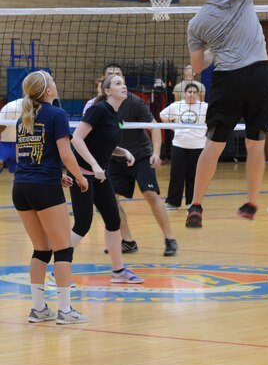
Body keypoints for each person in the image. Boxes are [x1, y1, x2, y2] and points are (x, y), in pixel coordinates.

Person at [185, 0, 268, 228]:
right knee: (256, 142)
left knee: (213, 143)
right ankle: (251, 202)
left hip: (227, 79)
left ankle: (196, 205)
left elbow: (197, 67)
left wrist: (215, 50)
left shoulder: (197, 23)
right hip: (257, 75)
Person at [12, 70, 89, 324]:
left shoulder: (22, 119)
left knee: (41, 249)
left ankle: (38, 309)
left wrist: (57, 177)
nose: (56, 85)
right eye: (53, 82)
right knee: (63, 248)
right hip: (43, 187)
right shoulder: (57, 114)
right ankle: (65, 311)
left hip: (21, 187)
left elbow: (24, 156)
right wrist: (79, 177)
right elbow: (66, 155)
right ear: (48, 91)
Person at [62, 73, 144, 284]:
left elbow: (102, 143)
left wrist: (122, 151)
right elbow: (77, 139)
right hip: (81, 173)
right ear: (107, 91)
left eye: (124, 83)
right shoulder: (98, 110)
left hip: (99, 174)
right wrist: (95, 165)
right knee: (82, 224)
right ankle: (58, 272)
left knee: (113, 220)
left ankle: (118, 272)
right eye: (118, 83)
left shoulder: (117, 114)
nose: (124, 86)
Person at [104, 64, 178, 257]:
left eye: (121, 77)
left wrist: (156, 153)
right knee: (109, 200)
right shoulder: (99, 106)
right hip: (115, 158)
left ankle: (170, 238)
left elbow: (154, 127)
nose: (120, 83)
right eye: (113, 78)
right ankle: (127, 240)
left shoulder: (135, 102)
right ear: (106, 86)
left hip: (141, 155)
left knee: (150, 194)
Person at [159, 83, 208, 210]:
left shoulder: (204, 107)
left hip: (198, 145)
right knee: (176, 174)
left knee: (193, 175)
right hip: (179, 144)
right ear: (184, 93)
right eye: (189, 92)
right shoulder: (177, 105)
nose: (191, 94)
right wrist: (174, 128)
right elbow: (162, 115)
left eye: (194, 92)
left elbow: (213, 120)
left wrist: (205, 132)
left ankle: (191, 202)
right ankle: (172, 202)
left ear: (197, 95)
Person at [0, 98, 23, 173]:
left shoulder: (40, 109)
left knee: (20, 173)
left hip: (19, 144)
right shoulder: (11, 108)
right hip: (3, 143)